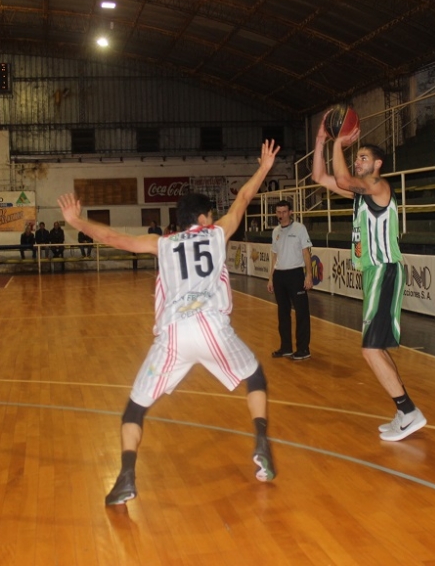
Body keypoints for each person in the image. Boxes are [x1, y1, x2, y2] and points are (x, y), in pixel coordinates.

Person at [57, 139, 281, 506]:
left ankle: (126, 476)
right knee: (254, 376)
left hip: (174, 334)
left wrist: (75, 220)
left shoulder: (161, 243)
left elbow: (113, 238)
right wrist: (263, 168)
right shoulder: (218, 233)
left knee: (134, 410)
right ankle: (260, 440)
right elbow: (242, 199)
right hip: (212, 326)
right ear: (205, 218)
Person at [311, 118, 427, 443]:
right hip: (374, 273)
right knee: (376, 348)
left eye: (363, 157)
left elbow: (345, 178)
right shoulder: (360, 197)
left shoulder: (378, 186)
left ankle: (408, 411)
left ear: (376, 164)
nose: (358, 161)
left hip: (385, 269)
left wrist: (339, 143)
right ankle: (404, 410)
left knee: (369, 349)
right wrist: (321, 140)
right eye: (357, 156)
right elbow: (320, 176)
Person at [267, 200, 313, 360]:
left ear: (290, 212)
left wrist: (309, 275)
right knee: (283, 313)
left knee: (302, 313)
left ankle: (303, 349)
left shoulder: (300, 229)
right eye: (279, 212)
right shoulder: (275, 231)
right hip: (279, 275)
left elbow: (306, 253)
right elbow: (274, 255)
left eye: (284, 212)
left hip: (295, 275)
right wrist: (271, 278)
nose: (281, 215)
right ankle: (285, 347)